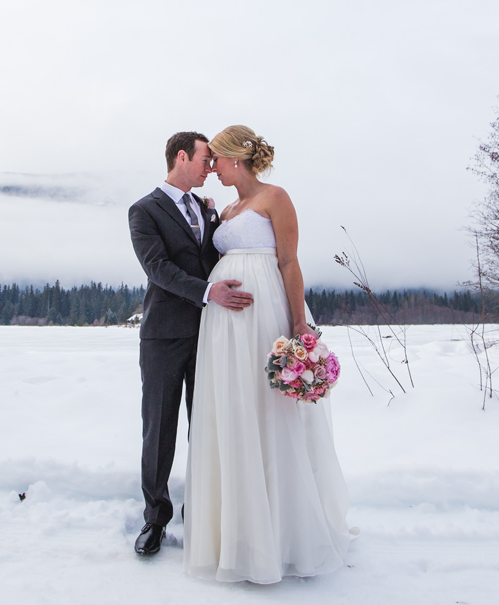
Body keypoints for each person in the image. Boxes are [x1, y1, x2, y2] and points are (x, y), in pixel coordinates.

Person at [182, 125, 355, 583]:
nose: (211, 167)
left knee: (268, 411)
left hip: (265, 314)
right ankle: (237, 534)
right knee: (233, 408)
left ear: (235, 159)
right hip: (224, 323)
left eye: (215, 159)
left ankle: (283, 534)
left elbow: (289, 261)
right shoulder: (226, 207)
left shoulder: (275, 197)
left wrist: (298, 323)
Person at [127, 131, 254, 557]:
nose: (210, 167)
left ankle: (201, 513)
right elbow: (158, 268)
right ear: (181, 157)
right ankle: (155, 520)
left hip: (210, 334)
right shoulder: (143, 210)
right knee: (159, 430)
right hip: (164, 335)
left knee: (208, 426)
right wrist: (208, 292)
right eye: (205, 159)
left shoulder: (206, 208)